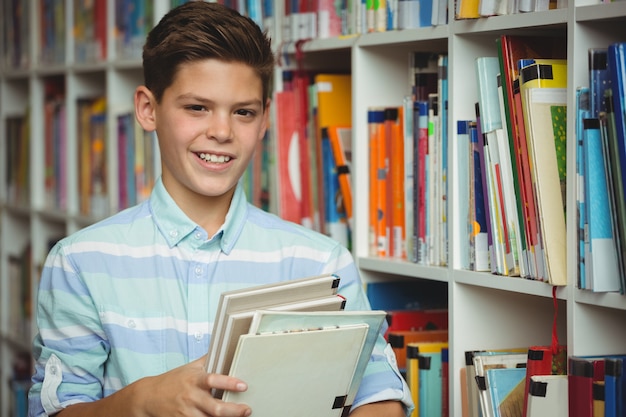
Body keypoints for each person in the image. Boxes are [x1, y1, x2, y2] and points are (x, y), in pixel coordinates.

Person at [28, 2, 412, 416]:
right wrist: (142, 401)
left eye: (243, 112)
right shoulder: (80, 262)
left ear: (265, 119)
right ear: (148, 109)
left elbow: (379, 396)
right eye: (197, 107)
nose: (222, 132)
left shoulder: (322, 262)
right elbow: (56, 409)